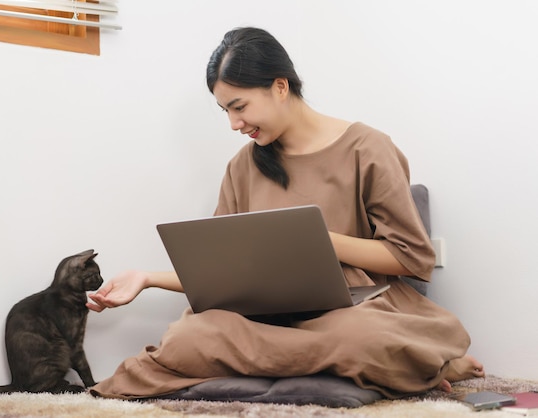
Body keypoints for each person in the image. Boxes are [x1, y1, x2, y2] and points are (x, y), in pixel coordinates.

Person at [86, 27, 484, 399]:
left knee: (362, 340)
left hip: (349, 311)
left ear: (280, 87)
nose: (233, 123)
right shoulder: (242, 167)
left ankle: (403, 358)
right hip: (261, 316)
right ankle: (399, 365)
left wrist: (321, 242)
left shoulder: (368, 148)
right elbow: (220, 274)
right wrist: (147, 278)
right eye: (225, 110)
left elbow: (410, 257)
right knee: (188, 338)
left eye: (239, 106)